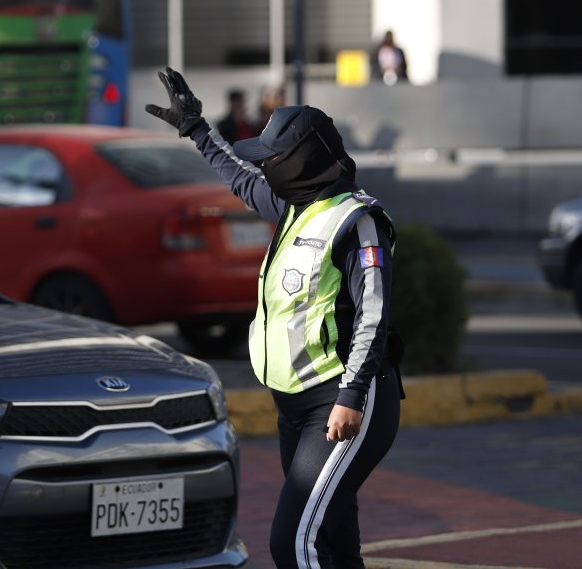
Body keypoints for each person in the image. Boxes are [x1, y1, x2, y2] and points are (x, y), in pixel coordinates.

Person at [146, 68, 402, 568]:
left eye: (274, 159)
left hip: (342, 402)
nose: (265, 170)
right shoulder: (294, 205)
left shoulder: (357, 220)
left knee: (294, 542)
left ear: (303, 161)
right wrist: (196, 128)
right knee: (330, 532)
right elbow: (238, 177)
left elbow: (374, 315)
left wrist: (350, 397)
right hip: (295, 405)